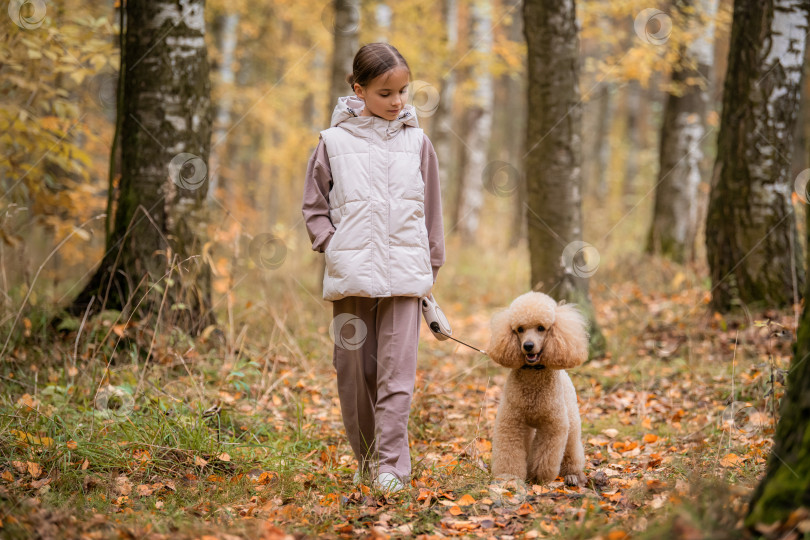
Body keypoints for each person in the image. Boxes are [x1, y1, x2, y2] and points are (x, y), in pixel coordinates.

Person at [301, 42, 445, 493]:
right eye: (386, 92)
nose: (398, 101)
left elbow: (432, 211)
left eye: (403, 91)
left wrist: (429, 266)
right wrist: (332, 244)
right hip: (351, 280)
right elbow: (314, 206)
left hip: (405, 279)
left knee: (396, 376)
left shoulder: (418, 143)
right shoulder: (332, 142)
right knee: (354, 373)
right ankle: (366, 460)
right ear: (359, 90)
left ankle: (391, 468)